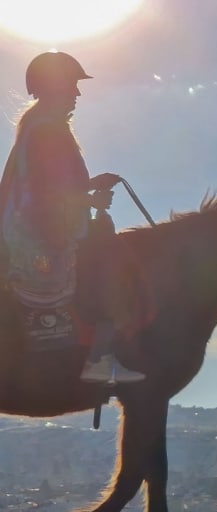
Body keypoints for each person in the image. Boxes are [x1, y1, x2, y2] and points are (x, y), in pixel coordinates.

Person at [0, 51, 144, 384]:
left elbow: (48, 185)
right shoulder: (47, 132)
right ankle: (99, 357)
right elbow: (42, 194)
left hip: (35, 229)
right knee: (110, 264)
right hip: (39, 235)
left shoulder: (39, 128)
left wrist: (90, 187)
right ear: (54, 87)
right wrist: (88, 198)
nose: (77, 94)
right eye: (72, 86)